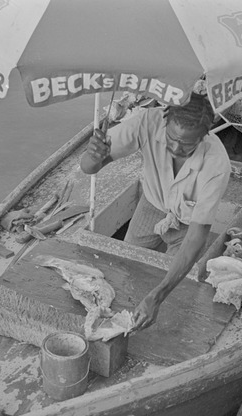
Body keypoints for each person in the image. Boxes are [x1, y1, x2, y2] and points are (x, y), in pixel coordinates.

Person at [80, 93, 231, 332]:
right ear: (164, 120)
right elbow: (89, 168)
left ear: (204, 136)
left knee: (175, 289)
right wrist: (91, 155)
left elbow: (196, 236)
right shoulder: (147, 121)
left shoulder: (217, 165)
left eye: (187, 144)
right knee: (128, 267)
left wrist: (158, 296)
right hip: (151, 205)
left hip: (186, 225)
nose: (176, 148)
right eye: (171, 138)